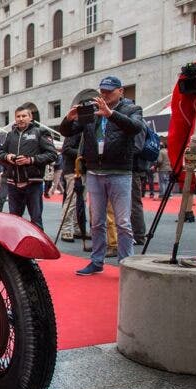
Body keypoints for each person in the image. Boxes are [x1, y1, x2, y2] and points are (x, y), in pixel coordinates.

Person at [59, 76, 145, 276]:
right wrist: (68, 119)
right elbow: (68, 133)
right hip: (95, 172)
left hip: (120, 172)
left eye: (109, 91)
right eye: (102, 91)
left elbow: (136, 128)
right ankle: (96, 260)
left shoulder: (132, 109)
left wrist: (111, 114)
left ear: (120, 91)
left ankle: (126, 263)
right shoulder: (92, 111)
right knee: (97, 221)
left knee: (122, 222)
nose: (104, 94)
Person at [0, 105, 58, 230]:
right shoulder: (10, 135)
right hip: (13, 183)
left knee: (36, 221)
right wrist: (8, 157)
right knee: (14, 221)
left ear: (30, 117)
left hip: (33, 183)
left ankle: (38, 248)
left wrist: (31, 160)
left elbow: (52, 154)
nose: (21, 119)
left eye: (24, 116)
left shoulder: (40, 132)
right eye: (18, 116)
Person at [59, 134, 83, 243]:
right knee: (71, 201)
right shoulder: (75, 130)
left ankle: (78, 228)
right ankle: (66, 229)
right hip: (73, 170)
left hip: (83, 169)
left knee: (80, 202)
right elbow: (66, 149)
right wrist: (84, 153)